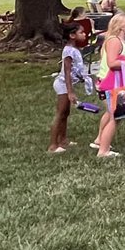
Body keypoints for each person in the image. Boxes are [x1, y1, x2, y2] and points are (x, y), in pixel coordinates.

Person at [93, 13, 125, 159]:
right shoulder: (114, 41)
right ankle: (104, 150)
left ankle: (100, 140)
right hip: (110, 83)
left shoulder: (121, 41)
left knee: (110, 113)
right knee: (116, 116)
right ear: (121, 26)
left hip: (113, 83)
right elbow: (112, 63)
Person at [49, 24, 91, 153]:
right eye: (81, 32)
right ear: (72, 35)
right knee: (60, 113)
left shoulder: (74, 49)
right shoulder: (68, 51)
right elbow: (67, 72)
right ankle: (53, 145)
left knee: (66, 113)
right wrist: (70, 92)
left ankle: (63, 139)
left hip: (67, 84)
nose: (84, 34)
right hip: (63, 84)